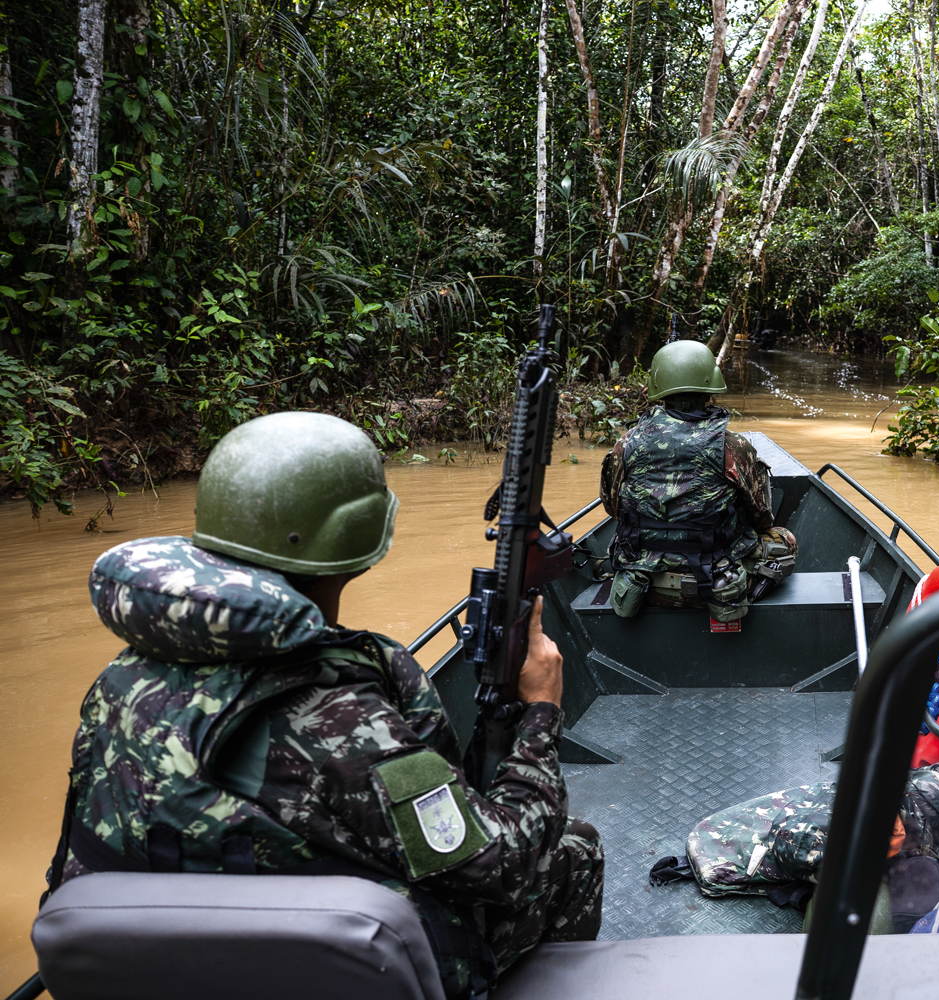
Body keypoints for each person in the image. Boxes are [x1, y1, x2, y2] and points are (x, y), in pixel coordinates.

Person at [47, 411, 601, 998]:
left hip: (149, 963)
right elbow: (500, 865)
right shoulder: (340, 714)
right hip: (308, 970)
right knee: (575, 848)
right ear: (363, 540)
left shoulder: (124, 674)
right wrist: (540, 710)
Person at [600, 340, 796, 621]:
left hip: (646, 586)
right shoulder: (733, 446)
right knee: (786, 540)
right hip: (716, 584)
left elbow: (613, 509)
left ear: (659, 393)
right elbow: (761, 518)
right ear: (708, 394)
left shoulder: (626, 444)